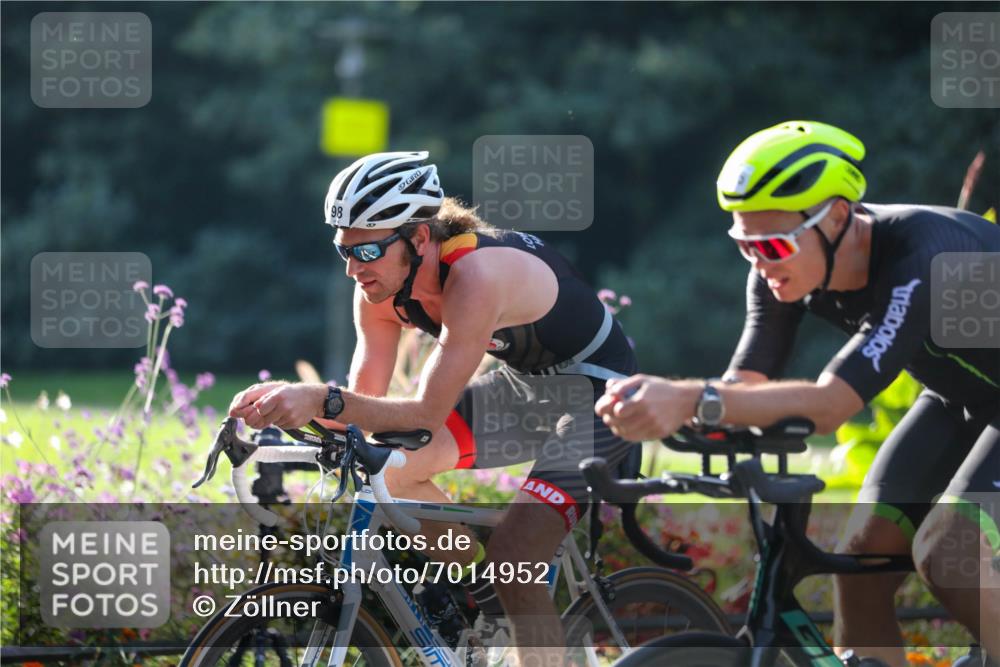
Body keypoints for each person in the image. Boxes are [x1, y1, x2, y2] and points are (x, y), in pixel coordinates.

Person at [596, 121, 1000, 667]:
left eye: (772, 244)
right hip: (960, 396)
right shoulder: (778, 273)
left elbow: (833, 404)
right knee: (861, 553)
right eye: (744, 245)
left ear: (836, 216)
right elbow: (745, 387)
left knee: (950, 555)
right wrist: (661, 409)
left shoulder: (920, 257)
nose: (760, 262)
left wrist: (689, 397)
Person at [230, 151, 638, 666]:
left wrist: (321, 398)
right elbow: (363, 409)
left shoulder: (477, 276)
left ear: (420, 238)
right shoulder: (377, 290)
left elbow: (424, 413)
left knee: (514, 554)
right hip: (525, 389)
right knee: (386, 464)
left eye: (370, 250)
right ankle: (485, 601)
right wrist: (276, 404)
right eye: (344, 251)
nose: (355, 269)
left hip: (602, 397)